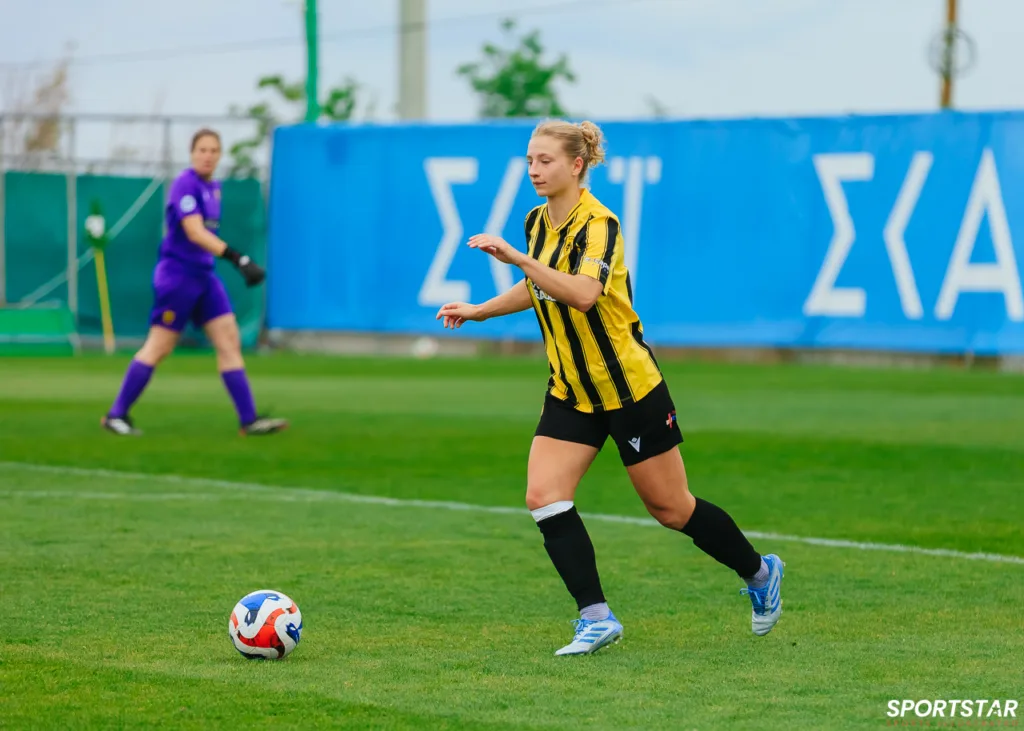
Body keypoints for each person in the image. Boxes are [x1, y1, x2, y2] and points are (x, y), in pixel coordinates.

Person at [436, 120, 784, 656]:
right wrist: (482, 310)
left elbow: (581, 293)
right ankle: (595, 618)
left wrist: (520, 259)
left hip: (629, 389)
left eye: (545, 161)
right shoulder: (535, 221)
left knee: (672, 509)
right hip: (571, 389)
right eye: (529, 160)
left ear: (576, 165)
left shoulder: (600, 224)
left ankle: (760, 573)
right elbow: (540, 285)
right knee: (544, 496)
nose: (534, 170)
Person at [101, 128, 288, 437]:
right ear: (191, 154)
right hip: (178, 277)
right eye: (202, 150)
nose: (208, 156)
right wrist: (239, 259)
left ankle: (249, 420)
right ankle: (116, 414)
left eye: (214, 150)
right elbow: (195, 232)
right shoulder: (185, 184)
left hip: (204, 276)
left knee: (229, 341)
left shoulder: (213, 188)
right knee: (160, 346)